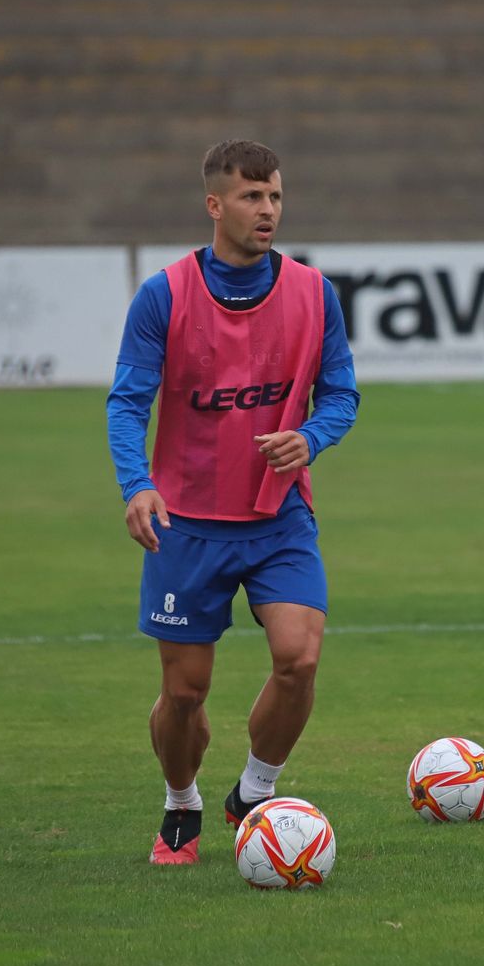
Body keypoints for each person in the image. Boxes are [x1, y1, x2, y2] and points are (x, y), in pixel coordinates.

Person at [106, 139, 359, 864]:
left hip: (279, 515)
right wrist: (138, 485)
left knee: (299, 660)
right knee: (185, 694)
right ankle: (180, 804)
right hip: (185, 524)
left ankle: (255, 789)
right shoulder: (165, 294)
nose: (268, 210)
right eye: (253, 198)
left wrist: (309, 438)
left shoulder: (313, 293)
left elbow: (342, 393)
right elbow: (127, 402)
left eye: (275, 196)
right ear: (215, 205)